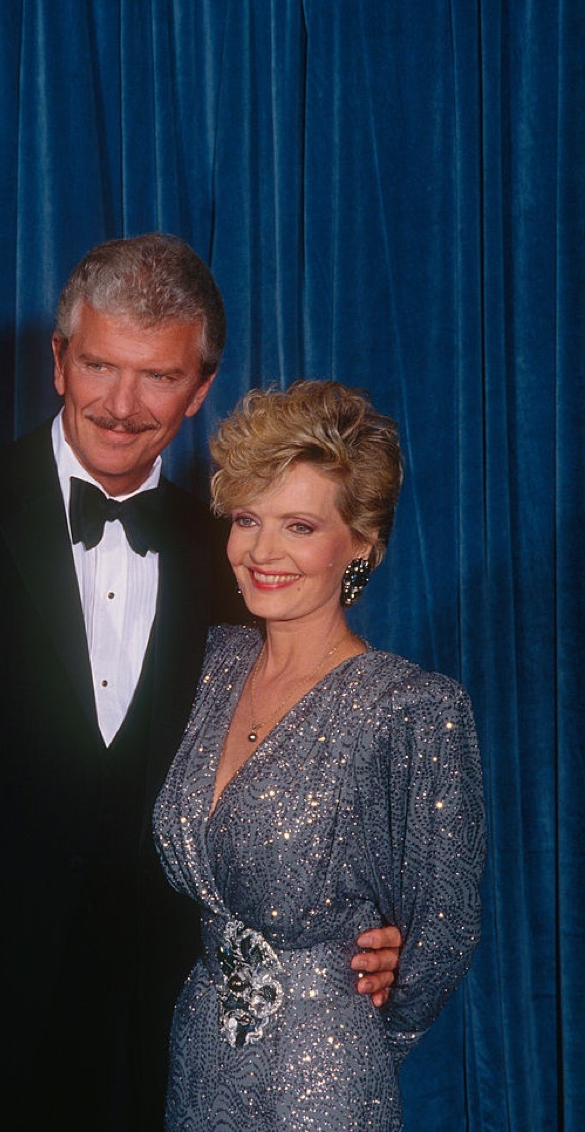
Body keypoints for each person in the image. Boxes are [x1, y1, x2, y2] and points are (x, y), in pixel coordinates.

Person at [0, 237, 401, 1132]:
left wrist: (366, 932)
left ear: (200, 389)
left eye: (159, 377)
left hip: (165, 1051)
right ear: (57, 361)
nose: (122, 406)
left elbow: (291, 773)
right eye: (99, 366)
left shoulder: (235, 555)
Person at [153, 380, 486, 1131]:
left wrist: (350, 1035)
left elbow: (445, 932)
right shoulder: (211, 663)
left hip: (322, 1079)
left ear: (360, 544)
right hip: (199, 1056)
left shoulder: (410, 708)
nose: (262, 552)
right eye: (247, 519)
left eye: (299, 526)